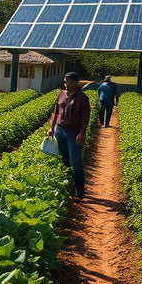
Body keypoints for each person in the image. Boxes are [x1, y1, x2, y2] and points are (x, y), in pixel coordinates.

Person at [47, 71, 90, 199]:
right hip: (60, 130)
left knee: (75, 162)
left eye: (69, 81)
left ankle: (79, 191)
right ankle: (68, 186)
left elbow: (85, 118)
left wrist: (82, 133)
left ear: (76, 83)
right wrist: (51, 128)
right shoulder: (61, 95)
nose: (66, 84)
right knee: (64, 159)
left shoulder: (82, 98)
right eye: (65, 81)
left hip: (74, 132)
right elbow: (55, 112)